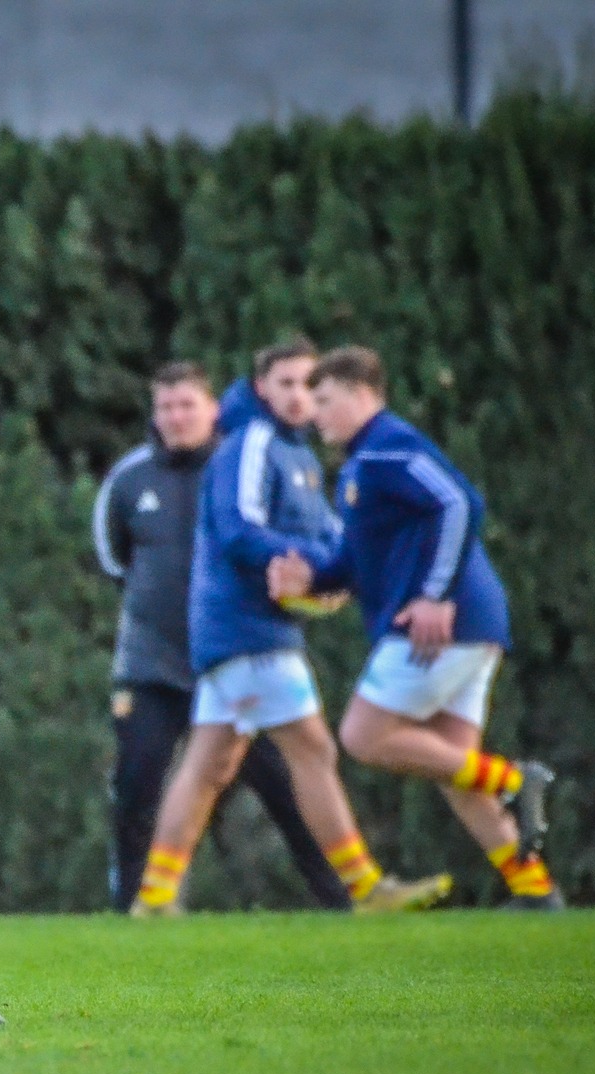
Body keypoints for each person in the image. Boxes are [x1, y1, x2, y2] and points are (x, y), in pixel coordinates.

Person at [130, 340, 450, 918]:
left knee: (208, 765)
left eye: (310, 386)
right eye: (286, 384)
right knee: (313, 749)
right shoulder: (251, 443)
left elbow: (332, 537)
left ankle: (153, 897)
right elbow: (239, 528)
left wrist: (336, 572)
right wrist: (306, 566)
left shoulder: (294, 453)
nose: (300, 397)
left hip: (245, 631)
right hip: (247, 629)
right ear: (260, 389)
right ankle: (365, 886)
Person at [268, 345, 560, 908]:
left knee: (362, 735)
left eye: (323, 399)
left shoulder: (387, 448)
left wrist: (434, 595)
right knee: (457, 770)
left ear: (361, 395)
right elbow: (354, 563)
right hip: (470, 624)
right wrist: (308, 579)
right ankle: (536, 892)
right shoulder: (360, 465)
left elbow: (459, 502)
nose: (312, 411)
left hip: (437, 624)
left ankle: (516, 781)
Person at [94, 360, 349, 912]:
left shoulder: (240, 465)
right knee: (137, 785)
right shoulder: (129, 478)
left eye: (187, 405)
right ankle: (131, 908)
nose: (176, 417)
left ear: (213, 408)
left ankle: (341, 900)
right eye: (165, 407)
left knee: (284, 786)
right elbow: (113, 560)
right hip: (153, 666)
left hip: (234, 655)